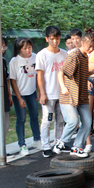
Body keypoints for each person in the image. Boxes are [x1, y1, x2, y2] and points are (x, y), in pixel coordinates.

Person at [56, 31, 94, 157]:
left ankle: (77, 147)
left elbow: (84, 74)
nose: (90, 49)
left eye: (93, 47)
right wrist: (63, 87)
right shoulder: (74, 55)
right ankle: (61, 142)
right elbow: (61, 73)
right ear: (82, 43)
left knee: (87, 122)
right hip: (69, 95)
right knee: (73, 122)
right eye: (88, 46)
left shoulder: (85, 56)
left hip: (82, 95)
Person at [36, 26, 67, 157]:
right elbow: (40, 76)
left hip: (62, 93)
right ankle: (46, 146)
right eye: (52, 39)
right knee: (47, 120)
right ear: (47, 39)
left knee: (61, 120)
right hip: (49, 94)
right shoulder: (42, 54)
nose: (55, 42)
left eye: (57, 39)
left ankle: (59, 143)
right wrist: (42, 93)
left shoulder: (65, 54)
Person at [9, 38, 40, 156]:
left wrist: (39, 91)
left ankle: (37, 140)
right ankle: (22, 144)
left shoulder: (35, 57)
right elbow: (12, 81)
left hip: (31, 92)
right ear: (19, 49)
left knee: (34, 115)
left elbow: (38, 76)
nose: (28, 50)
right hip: (19, 94)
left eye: (30, 47)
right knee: (21, 118)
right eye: (25, 48)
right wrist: (19, 97)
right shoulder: (14, 61)